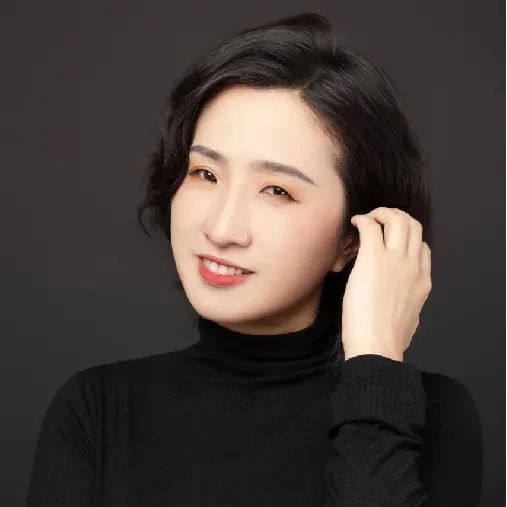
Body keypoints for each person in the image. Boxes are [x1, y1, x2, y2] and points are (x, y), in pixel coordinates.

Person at [26, 12, 483, 506]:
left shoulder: (432, 417)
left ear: (353, 238)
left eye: (277, 190)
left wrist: (374, 362)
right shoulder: (98, 410)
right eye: (205, 174)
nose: (221, 229)